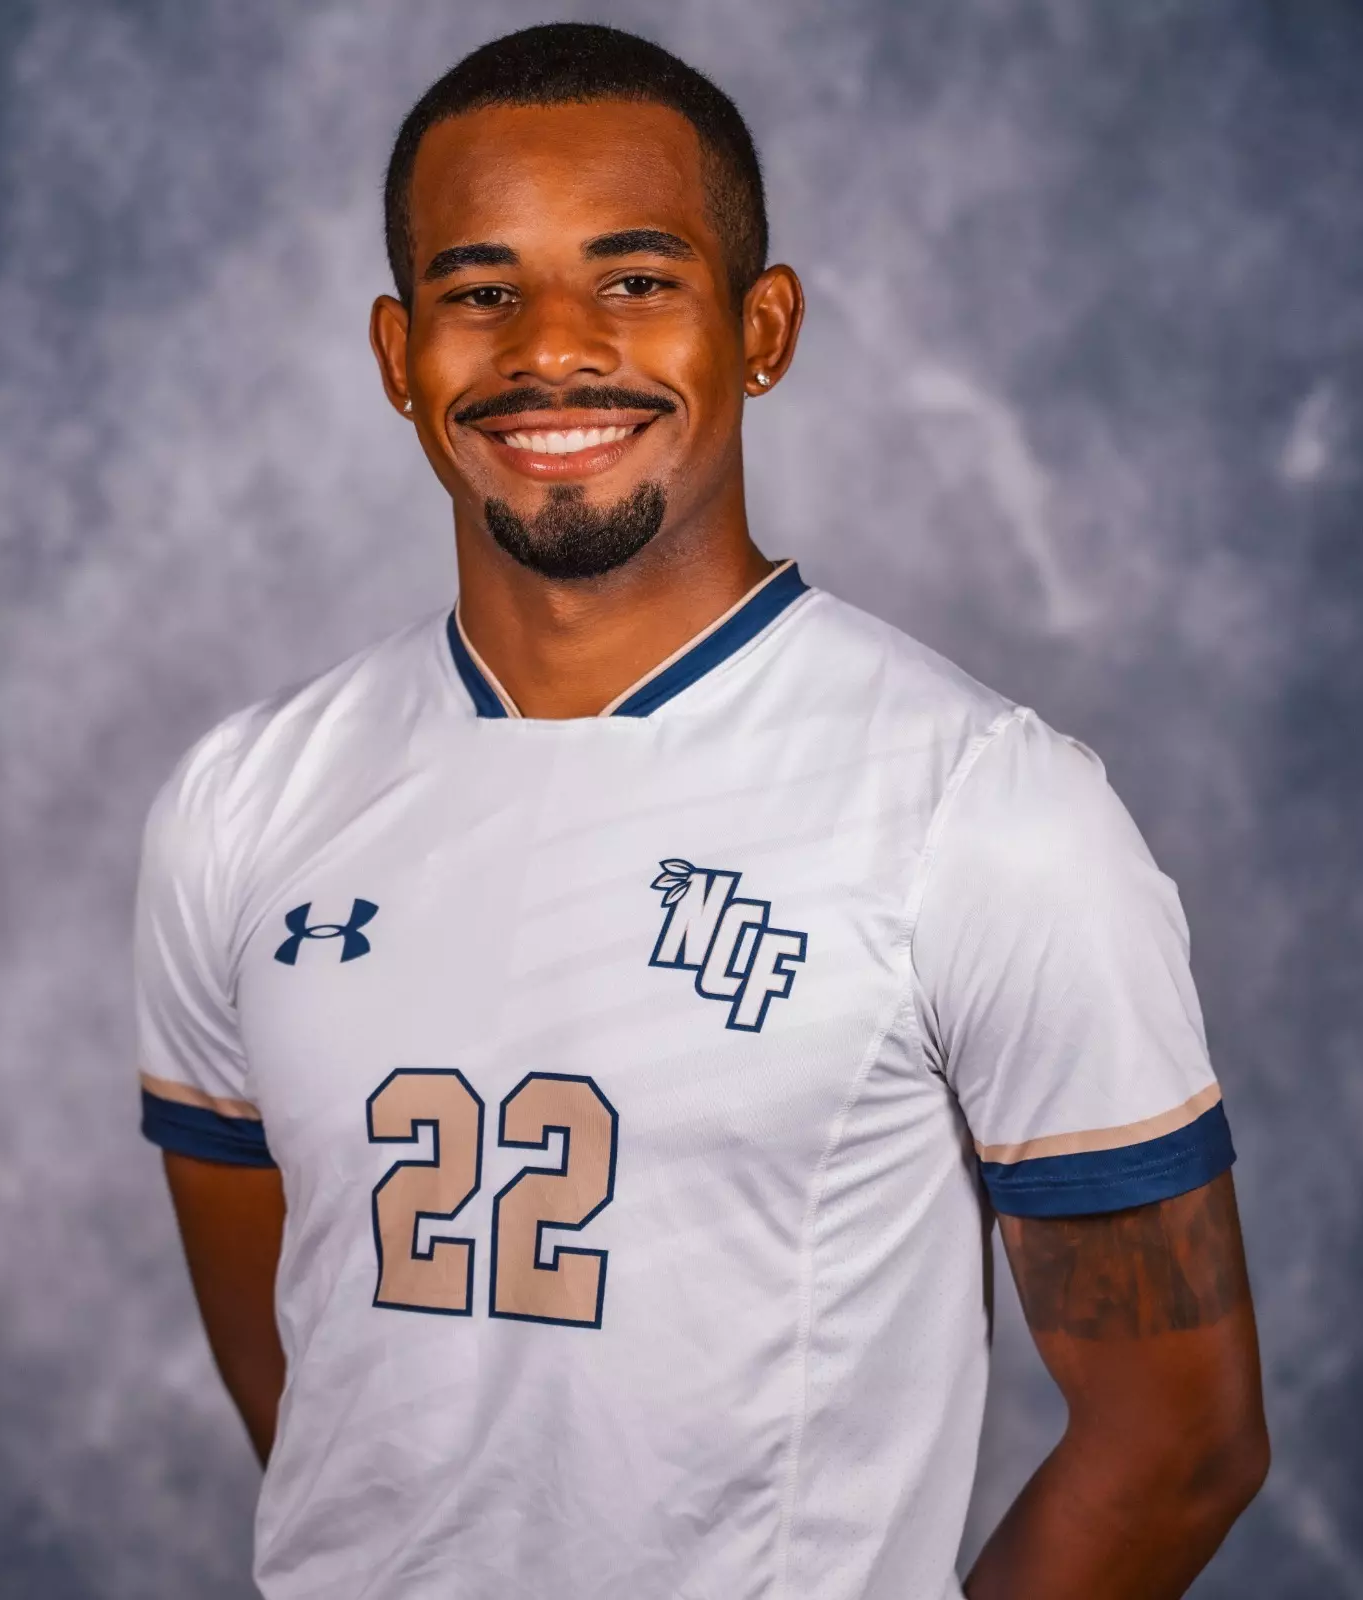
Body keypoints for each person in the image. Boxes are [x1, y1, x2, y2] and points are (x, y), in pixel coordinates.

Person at [134, 22, 1268, 1599]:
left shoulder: (987, 812)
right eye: (481, 292)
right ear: (398, 356)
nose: (553, 348)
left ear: (762, 326)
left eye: (636, 279)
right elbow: (315, 1376)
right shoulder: (242, 804)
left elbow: (1181, 1441)